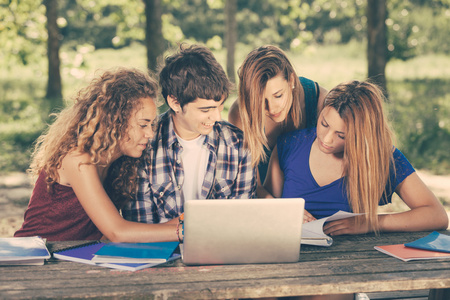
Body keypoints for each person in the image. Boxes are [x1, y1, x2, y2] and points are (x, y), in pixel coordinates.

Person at [15, 68, 183, 242]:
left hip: (75, 257)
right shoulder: (78, 159)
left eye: (152, 125)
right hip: (37, 259)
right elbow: (118, 232)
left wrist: (189, 222)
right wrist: (184, 232)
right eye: (143, 125)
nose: (150, 134)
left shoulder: (119, 162)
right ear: (115, 121)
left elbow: (125, 231)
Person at [265, 80, 449, 234]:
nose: (326, 139)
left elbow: (437, 216)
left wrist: (371, 223)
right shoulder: (290, 144)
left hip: (353, 260)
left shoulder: (383, 158)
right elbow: (265, 200)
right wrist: (286, 212)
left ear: (362, 137)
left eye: (342, 135)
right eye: (324, 123)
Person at [122, 44, 256, 225]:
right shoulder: (144, 145)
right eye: (205, 109)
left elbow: (242, 221)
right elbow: (141, 227)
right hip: (162, 251)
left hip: (223, 250)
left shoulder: (239, 145)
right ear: (175, 103)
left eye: (220, 106)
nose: (216, 117)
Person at [228, 45, 328, 197]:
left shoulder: (320, 101)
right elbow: (253, 185)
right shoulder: (240, 114)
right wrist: (281, 208)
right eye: (260, 101)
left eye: (278, 95)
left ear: (291, 80)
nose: (272, 108)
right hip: (266, 206)